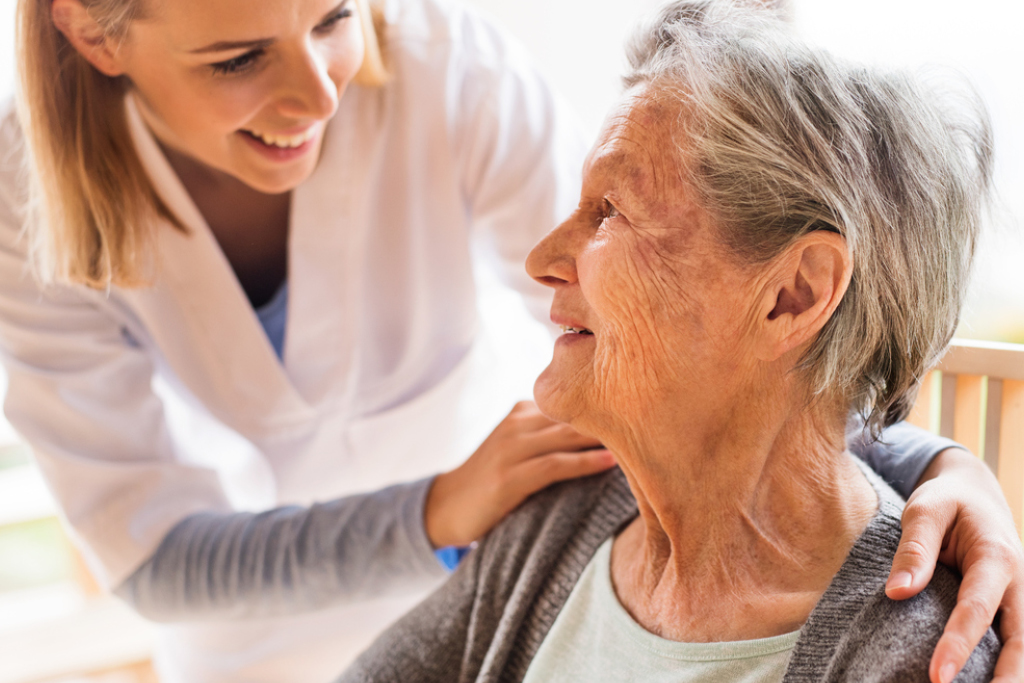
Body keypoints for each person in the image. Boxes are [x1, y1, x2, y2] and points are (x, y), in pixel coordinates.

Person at [0, 0, 1019, 681]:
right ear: (96, 35)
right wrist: (442, 508)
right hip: (280, 630)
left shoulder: (446, 70)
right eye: (236, 58)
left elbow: (717, 334)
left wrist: (930, 459)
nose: (319, 90)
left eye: (335, 14)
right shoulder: (20, 199)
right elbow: (157, 551)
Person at [338, 2, 1009, 682]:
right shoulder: (563, 516)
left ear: (793, 295)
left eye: (610, 213)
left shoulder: (921, 655)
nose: (541, 258)